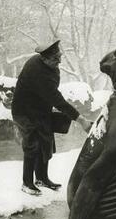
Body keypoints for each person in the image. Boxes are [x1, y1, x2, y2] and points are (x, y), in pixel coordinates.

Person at [11, 40, 92, 196]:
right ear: (44, 58)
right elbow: (57, 99)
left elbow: (51, 93)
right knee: (32, 144)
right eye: (56, 59)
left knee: (46, 141)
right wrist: (81, 120)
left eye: (59, 56)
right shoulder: (38, 72)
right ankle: (27, 183)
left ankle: (42, 178)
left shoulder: (48, 65)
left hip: (40, 110)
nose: (60, 61)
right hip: (24, 112)